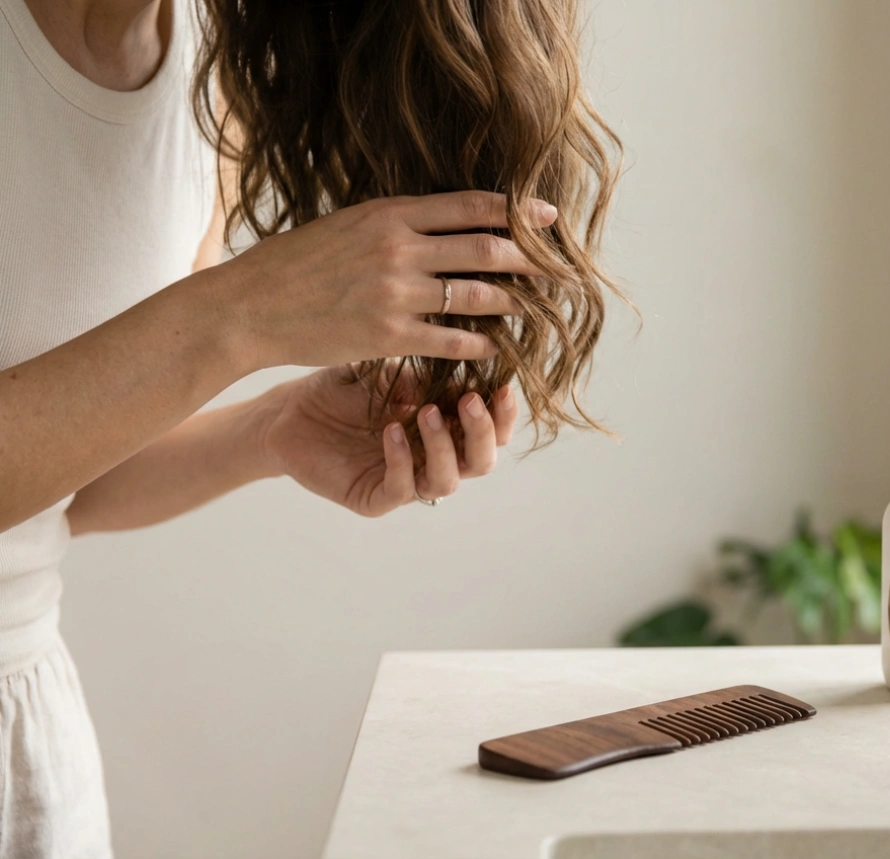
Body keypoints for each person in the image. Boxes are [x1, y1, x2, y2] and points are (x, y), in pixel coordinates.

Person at [0, 0, 577, 854]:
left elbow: (59, 493)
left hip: (30, 731)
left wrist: (273, 427)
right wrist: (238, 313)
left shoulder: (201, 77)